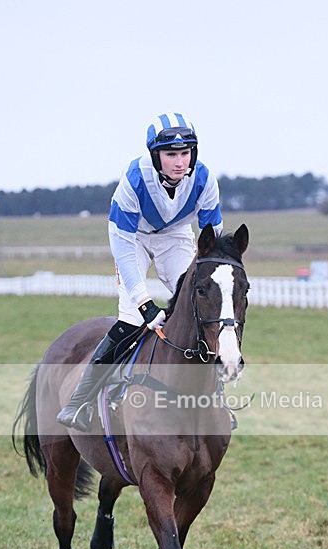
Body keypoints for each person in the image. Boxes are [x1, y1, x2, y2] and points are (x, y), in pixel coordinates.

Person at [57, 112, 223, 432]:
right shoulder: (134, 180)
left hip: (175, 237)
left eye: (185, 153)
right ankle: (81, 399)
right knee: (134, 317)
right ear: (154, 155)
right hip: (133, 239)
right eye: (170, 154)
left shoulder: (204, 180)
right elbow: (122, 246)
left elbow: (212, 241)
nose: (179, 161)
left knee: (199, 307)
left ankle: (216, 397)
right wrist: (144, 302)